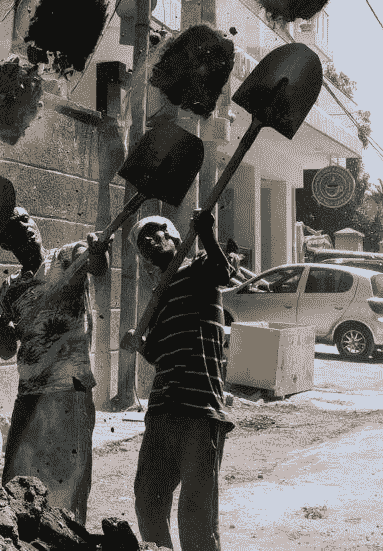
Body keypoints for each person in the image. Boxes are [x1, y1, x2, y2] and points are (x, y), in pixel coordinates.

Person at [120, 211, 235, 551]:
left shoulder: (198, 269)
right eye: (142, 242)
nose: (149, 241)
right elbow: (158, 354)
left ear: (173, 236)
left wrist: (207, 233)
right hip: (161, 410)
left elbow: (223, 272)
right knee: (148, 500)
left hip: (199, 408)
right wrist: (138, 344)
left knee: (196, 515)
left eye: (155, 232)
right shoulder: (158, 297)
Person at [0, 206, 110, 526]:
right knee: (16, 485)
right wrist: (6, 329)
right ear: (5, 243)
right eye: (14, 227)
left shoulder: (67, 257)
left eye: (26, 219)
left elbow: (97, 265)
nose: (25, 227)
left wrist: (97, 250)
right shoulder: (9, 289)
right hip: (29, 394)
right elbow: (4, 350)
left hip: (71, 387)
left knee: (67, 491)